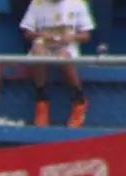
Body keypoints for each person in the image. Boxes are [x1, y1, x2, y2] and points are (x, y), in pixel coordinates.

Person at [20, 0, 93, 128]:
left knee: (62, 56)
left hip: (67, 48)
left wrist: (73, 37)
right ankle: (41, 103)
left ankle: (79, 100)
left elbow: (86, 35)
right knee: (37, 52)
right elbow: (27, 32)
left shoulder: (78, 3)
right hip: (45, 45)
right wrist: (40, 35)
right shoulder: (37, 3)